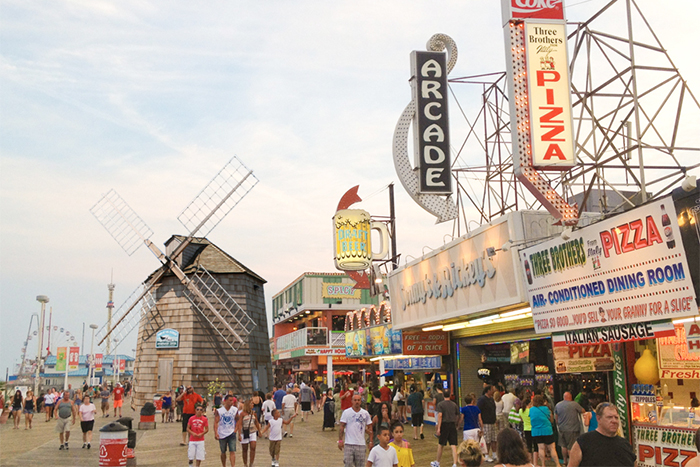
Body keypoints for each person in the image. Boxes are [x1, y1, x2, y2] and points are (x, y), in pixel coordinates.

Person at [567, 403, 636, 467]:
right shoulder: (583, 442)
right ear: (598, 419)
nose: (614, 421)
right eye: (609, 417)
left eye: (616, 417)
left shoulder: (625, 444)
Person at [339, 394, 374, 467]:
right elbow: (342, 426)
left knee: (360, 465)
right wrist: (340, 440)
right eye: (355, 400)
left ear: (361, 402)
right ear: (352, 401)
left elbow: (370, 427)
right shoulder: (346, 412)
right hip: (349, 444)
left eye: (358, 400)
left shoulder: (365, 413)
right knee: (348, 464)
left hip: (361, 444)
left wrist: (371, 441)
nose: (357, 402)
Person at [431, 389, 462, 467]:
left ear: (443, 395)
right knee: (453, 445)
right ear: (450, 395)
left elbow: (440, 416)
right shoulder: (454, 404)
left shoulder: (440, 405)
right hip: (452, 425)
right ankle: (455, 463)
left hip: (444, 425)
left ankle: (437, 462)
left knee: (441, 444)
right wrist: (456, 424)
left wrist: (438, 428)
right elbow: (458, 415)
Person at [529, 395, 560, 467]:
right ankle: (557, 464)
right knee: (552, 448)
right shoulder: (546, 409)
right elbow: (551, 420)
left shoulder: (531, 410)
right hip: (547, 430)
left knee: (541, 448)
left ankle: (543, 465)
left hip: (536, 431)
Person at [554, 391, 584, 466]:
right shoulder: (574, 404)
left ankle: (564, 461)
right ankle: (572, 462)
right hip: (572, 429)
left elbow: (556, 417)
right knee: (571, 446)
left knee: (563, 446)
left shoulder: (558, 405)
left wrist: (558, 424)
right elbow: (583, 411)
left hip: (561, 428)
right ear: (570, 397)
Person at [215, 394, 240, 467]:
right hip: (222, 433)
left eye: (232, 400)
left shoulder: (235, 410)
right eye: (230, 400)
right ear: (225, 401)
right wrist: (216, 432)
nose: (232, 402)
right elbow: (216, 422)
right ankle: (224, 465)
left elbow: (238, 420)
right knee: (223, 451)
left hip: (231, 432)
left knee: (232, 451)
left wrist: (235, 429)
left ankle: (233, 465)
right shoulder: (219, 411)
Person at [477, 385, 498, 462]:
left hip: (492, 422)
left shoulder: (492, 399)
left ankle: (494, 454)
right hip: (486, 423)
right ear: (488, 391)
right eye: (492, 390)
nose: (493, 391)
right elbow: (478, 411)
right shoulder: (482, 399)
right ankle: (486, 455)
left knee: (494, 439)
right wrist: (480, 422)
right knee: (487, 440)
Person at [239, 399, 261, 467]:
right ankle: (245, 463)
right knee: (245, 449)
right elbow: (240, 424)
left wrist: (259, 431)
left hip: (253, 432)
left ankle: (251, 463)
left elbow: (256, 422)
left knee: (253, 447)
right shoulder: (242, 414)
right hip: (245, 432)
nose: (253, 405)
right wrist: (239, 434)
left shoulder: (253, 413)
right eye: (251, 403)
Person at [519, 396, 537, 466]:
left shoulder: (521, 411)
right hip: (533, 429)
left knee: (529, 446)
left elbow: (521, 420)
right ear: (529, 403)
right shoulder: (532, 410)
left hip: (526, 429)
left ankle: (530, 461)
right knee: (535, 446)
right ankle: (535, 463)